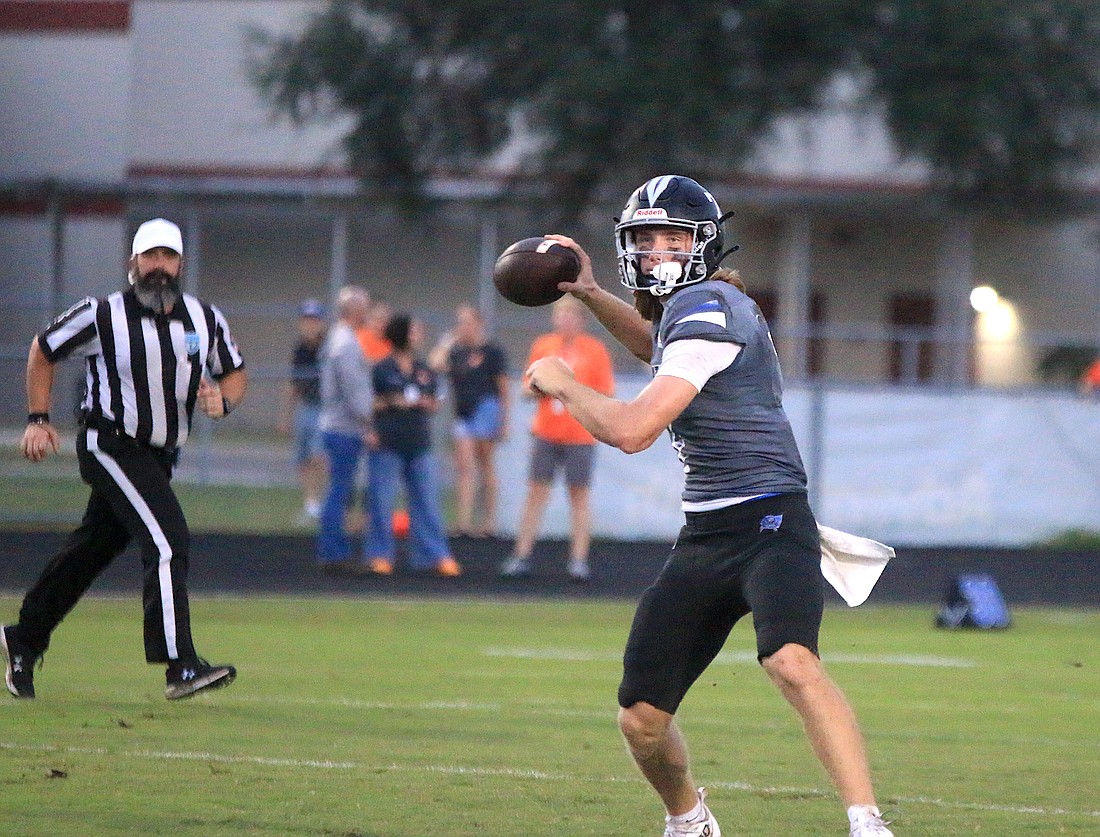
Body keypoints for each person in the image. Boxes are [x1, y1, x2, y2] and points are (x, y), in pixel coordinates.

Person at [523, 175, 894, 836]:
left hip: (771, 519)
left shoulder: (710, 306)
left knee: (791, 661)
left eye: (672, 238)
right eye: (645, 239)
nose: (656, 251)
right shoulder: (691, 310)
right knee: (641, 718)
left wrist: (564, 385)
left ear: (704, 243)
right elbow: (653, 343)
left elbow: (634, 430)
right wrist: (591, 293)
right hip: (707, 531)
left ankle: (867, 823)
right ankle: (689, 819)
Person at [2, 218, 246, 701]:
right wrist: (37, 418)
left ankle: (24, 638)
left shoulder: (203, 319)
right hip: (110, 443)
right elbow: (43, 349)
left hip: (159, 456)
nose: (159, 266)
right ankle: (180, 665)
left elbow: (233, 372)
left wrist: (223, 400)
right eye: (150, 256)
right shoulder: (102, 314)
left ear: (181, 264)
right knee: (168, 539)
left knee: (92, 550)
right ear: (132, 262)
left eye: (168, 257)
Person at [499, 295, 614, 582]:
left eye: (570, 316)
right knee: (536, 493)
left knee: (579, 496)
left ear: (581, 320)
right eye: (560, 316)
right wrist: (544, 388)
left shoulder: (594, 350)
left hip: (580, 434)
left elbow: (606, 392)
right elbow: (526, 387)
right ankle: (521, 555)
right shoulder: (544, 346)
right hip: (546, 431)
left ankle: (578, 559)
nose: (564, 322)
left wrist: (573, 392)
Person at [364, 314, 462, 578]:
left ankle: (434, 556)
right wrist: (391, 403)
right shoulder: (382, 369)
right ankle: (380, 556)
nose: (419, 335)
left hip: (419, 443)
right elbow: (369, 403)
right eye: (414, 330)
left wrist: (421, 402)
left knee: (427, 501)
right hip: (387, 442)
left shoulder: (423, 369)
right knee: (381, 501)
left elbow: (434, 399)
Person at [428, 303, 510, 538]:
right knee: (464, 466)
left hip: (486, 408)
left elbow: (503, 388)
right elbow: (435, 363)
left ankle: (488, 523)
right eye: (460, 322)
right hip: (463, 412)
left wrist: (504, 421)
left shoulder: (492, 351)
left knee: (485, 464)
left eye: (467, 322)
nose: (463, 327)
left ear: (478, 324)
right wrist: (447, 342)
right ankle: (463, 523)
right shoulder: (457, 351)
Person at [316, 285, 375, 574]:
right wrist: (370, 421)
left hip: (335, 425)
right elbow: (355, 393)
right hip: (344, 429)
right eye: (365, 307)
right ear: (355, 310)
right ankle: (333, 553)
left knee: (339, 491)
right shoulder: (347, 344)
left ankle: (334, 550)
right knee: (339, 492)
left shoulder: (336, 339)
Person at [277, 299, 328, 524]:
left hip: (325, 408)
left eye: (314, 320)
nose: (310, 325)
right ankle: (311, 505)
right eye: (307, 320)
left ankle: (323, 503)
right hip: (306, 407)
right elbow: (293, 384)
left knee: (319, 457)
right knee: (304, 459)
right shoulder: (300, 349)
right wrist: (285, 416)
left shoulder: (328, 347)